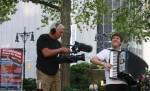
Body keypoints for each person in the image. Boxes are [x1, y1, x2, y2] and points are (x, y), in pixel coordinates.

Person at [36, 22, 71, 91]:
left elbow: (58, 58)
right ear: (53, 31)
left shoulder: (58, 43)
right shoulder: (43, 38)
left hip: (56, 73)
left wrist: (69, 57)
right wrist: (61, 49)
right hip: (44, 73)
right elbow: (46, 53)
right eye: (60, 32)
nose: (62, 35)